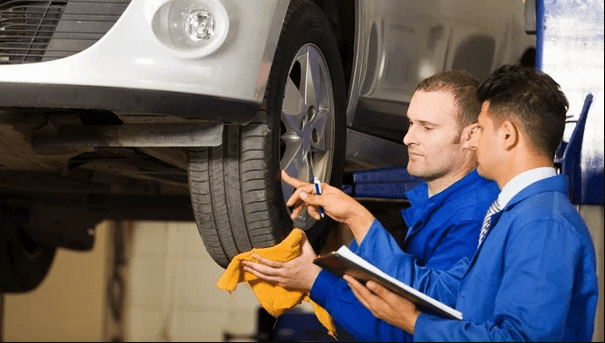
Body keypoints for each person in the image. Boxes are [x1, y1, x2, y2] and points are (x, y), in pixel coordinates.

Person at [294, 64, 599, 341]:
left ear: (507, 136)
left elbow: (520, 339)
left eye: (480, 129)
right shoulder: (514, 216)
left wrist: (415, 323)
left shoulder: (543, 224)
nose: (473, 140)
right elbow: (446, 292)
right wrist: (355, 217)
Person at [242, 70, 500, 341]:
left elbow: (412, 331)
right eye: (410, 123)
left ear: (472, 136)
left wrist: (316, 279)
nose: (408, 138)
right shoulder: (446, 203)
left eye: (427, 127)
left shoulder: (473, 218)